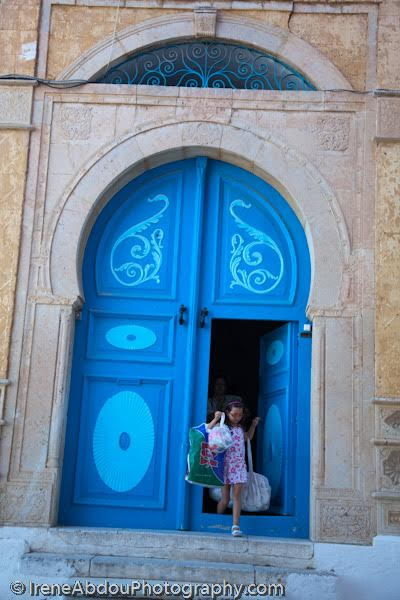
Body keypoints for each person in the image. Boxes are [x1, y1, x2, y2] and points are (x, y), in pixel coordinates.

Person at [207, 400, 260, 537]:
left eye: (240, 415)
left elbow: (248, 438)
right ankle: (216, 521)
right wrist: (216, 418)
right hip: (225, 466)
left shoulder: (240, 429)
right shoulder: (221, 427)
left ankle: (235, 526)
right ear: (227, 413)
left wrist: (253, 425)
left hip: (239, 467)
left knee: (237, 497)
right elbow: (208, 430)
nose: (237, 417)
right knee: (224, 499)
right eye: (234, 414)